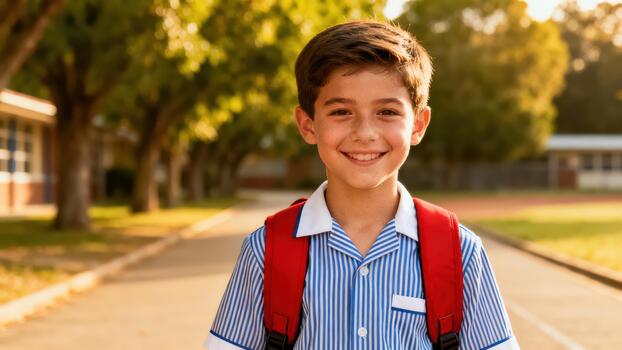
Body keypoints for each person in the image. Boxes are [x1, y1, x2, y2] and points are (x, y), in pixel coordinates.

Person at [205, 20, 519, 350]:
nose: (365, 133)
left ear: (418, 125)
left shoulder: (459, 252)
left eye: (386, 111)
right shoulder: (267, 251)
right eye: (341, 111)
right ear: (308, 125)